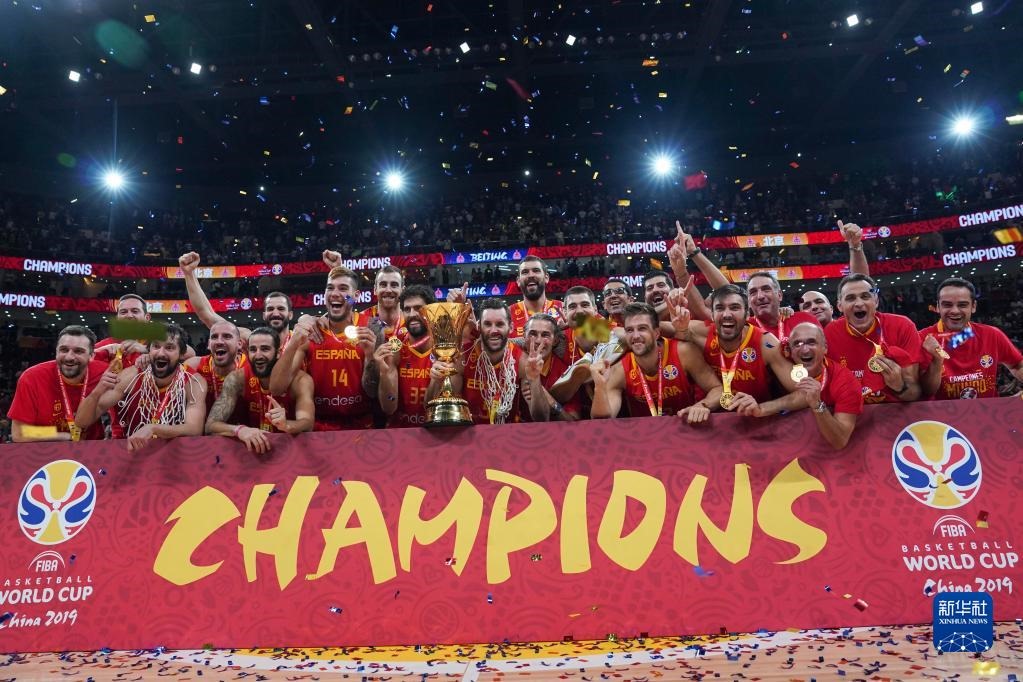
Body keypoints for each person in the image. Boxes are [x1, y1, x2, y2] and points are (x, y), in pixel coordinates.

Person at [269, 266, 379, 430]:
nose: (334, 293)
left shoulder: (372, 328)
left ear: (355, 296)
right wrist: (293, 342)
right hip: (320, 427)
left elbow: (376, 391)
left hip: (363, 426)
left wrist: (370, 356)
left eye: (343, 288)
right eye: (330, 288)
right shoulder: (310, 331)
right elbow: (277, 388)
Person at [75, 324, 207, 450]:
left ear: (181, 353)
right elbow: (82, 422)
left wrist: (153, 428)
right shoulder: (131, 375)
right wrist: (97, 391)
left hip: (176, 452)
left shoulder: (193, 381)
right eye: (156, 346)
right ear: (149, 350)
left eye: (169, 348)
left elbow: (194, 428)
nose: (161, 353)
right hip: (134, 451)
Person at [731, 323, 863, 450]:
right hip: (766, 443)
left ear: (825, 347)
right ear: (789, 351)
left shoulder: (845, 382)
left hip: (815, 451)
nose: (805, 349)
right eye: (797, 344)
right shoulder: (778, 358)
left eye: (811, 342)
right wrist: (757, 407)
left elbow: (840, 441)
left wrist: (818, 406)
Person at [589, 302, 723, 423]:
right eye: (630, 330)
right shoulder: (620, 370)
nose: (635, 336)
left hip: (685, 428)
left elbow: (718, 389)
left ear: (657, 333)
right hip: (644, 436)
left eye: (642, 328)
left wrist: (703, 405)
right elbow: (602, 420)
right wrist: (599, 386)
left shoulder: (684, 352)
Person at [672, 284, 798, 406]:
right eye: (720, 308)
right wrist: (673, 309)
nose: (727, 314)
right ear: (712, 315)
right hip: (709, 414)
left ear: (747, 315)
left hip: (754, 416)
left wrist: (762, 409)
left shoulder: (766, 343)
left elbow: (802, 392)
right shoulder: (699, 332)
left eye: (734, 308)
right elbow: (664, 329)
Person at [428, 298, 546, 424]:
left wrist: (535, 380)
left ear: (511, 327)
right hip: (470, 430)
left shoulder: (522, 360)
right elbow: (434, 409)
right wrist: (436, 381)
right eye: (488, 324)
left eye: (499, 324)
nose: (493, 330)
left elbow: (541, 417)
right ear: (479, 327)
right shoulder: (463, 357)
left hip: (508, 432)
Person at [205, 327, 314, 452]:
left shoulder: (300, 380)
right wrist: (240, 430)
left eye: (265, 349)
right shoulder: (237, 378)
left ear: (278, 353)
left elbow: (307, 423)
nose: (258, 355)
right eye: (253, 349)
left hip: (290, 448)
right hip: (253, 449)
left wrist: (287, 425)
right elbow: (211, 425)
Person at [824, 273, 924, 403]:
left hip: (893, 409)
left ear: (876, 301)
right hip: (850, 411)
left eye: (865, 296)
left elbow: (914, 393)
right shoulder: (830, 333)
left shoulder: (902, 327)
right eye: (850, 298)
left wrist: (900, 386)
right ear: (840, 306)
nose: (859, 303)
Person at [918, 277, 1023, 399]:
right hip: (941, 411)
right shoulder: (922, 339)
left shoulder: (992, 334)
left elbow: (1017, 365)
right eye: (947, 305)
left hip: (989, 410)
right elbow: (924, 391)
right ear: (938, 307)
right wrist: (936, 361)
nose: (955, 311)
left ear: (973, 306)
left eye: (962, 305)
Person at [8, 325, 107, 442]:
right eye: (64, 350)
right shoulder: (32, 378)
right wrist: (64, 436)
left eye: (78, 351)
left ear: (92, 356)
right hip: (45, 449)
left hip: (93, 447)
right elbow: (19, 432)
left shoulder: (103, 373)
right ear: (56, 352)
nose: (69, 357)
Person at [178, 251, 295, 348]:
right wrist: (189, 274)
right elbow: (207, 315)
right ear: (264, 315)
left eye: (281, 308)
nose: (275, 313)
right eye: (270, 309)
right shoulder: (251, 340)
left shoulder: (301, 340)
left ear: (290, 314)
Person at [375, 285, 437, 427]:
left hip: (435, 428)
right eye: (407, 309)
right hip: (401, 431)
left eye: (418, 308)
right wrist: (384, 374)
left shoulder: (443, 348)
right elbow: (389, 407)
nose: (412, 314)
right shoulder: (395, 348)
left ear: (432, 310)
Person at [519, 313, 582, 421]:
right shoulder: (512, 362)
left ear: (555, 340)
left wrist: (551, 401)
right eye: (532, 334)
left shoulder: (567, 374)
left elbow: (573, 421)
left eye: (545, 335)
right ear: (524, 337)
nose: (538, 341)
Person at [184, 320, 248, 420]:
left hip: (245, 429)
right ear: (209, 344)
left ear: (239, 343)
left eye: (227, 336)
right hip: (205, 429)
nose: (219, 342)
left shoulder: (250, 367)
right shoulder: (194, 366)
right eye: (214, 337)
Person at [745, 272, 820, 343]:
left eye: (766, 289)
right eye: (753, 292)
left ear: (779, 295)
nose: (760, 296)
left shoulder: (805, 320)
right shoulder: (743, 328)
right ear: (748, 301)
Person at [509, 256, 563, 338]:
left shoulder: (564, 310)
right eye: (525, 272)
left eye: (536, 270)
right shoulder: (507, 315)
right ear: (518, 281)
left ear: (546, 278)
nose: (531, 275)